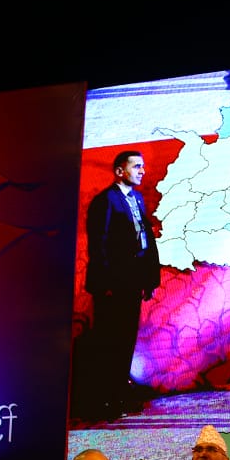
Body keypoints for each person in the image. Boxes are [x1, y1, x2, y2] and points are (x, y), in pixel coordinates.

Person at [80, 150, 160, 420]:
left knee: (126, 341)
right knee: (109, 342)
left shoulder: (137, 199)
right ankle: (105, 400)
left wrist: (149, 279)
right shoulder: (106, 200)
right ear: (119, 171)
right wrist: (106, 283)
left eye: (143, 166)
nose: (142, 171)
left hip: (132, 283)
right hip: (113, 286)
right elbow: (99, 245)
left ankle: (118, 395)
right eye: (136, 166)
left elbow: (145, 240)